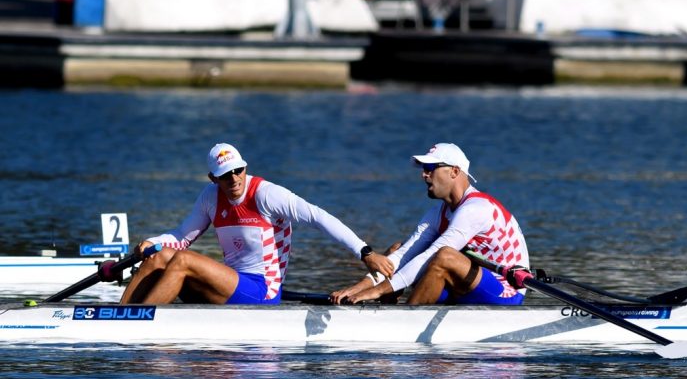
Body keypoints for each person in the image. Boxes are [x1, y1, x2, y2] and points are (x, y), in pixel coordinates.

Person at [120, 143, 394, 305]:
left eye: (238, 170)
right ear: (213, 178)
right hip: (232, 284)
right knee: (160, 255)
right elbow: (181, 236)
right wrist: (152, 243)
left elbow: (319, 217)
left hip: (263, 290)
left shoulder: (266, 194)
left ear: (245, 168)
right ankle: (117, 317)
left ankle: (137, 324)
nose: (235, 179)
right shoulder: (210, 197)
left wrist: (366, 252)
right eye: (226, 175)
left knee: (182, 260)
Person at [330, 142, 529, 305]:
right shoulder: (438, 212)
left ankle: (403, 324)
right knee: (397, 249)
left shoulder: (476, 208)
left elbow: (434, 255)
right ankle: (385, 310)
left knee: (444, 256)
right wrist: (359, 288)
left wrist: (376, 290)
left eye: (431, 168)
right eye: (424, 169)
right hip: (465, 285)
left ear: (454, 172)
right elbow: (403, 255)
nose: (424, 175)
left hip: (505, 291)